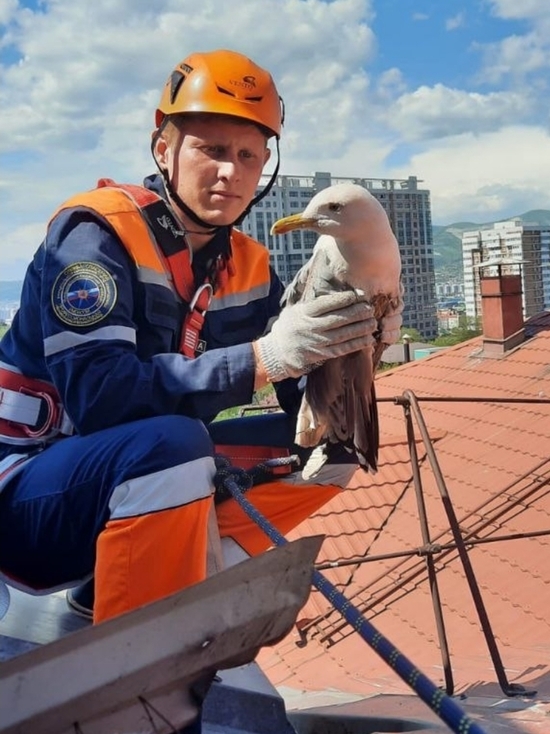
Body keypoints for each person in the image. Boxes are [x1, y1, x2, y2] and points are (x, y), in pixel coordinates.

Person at [0, 50, 402, 631]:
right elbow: (101, 400)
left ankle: (168, 584)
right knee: (176, 444)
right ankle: (141, 647)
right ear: (164, 150)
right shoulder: (94, 236)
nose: (231, 173)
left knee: (339, 442)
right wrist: (263, 357)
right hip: (26, 492)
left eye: (247, 156)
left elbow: (301, 392)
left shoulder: (247, 265)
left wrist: (360, 347)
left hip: (122, 482)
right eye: (211, 150)